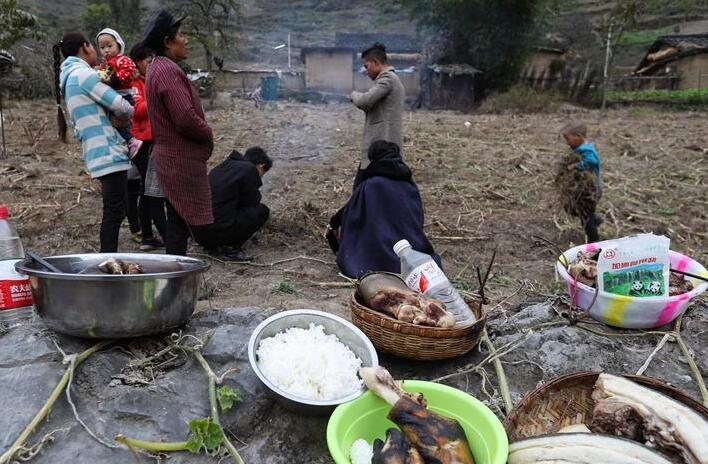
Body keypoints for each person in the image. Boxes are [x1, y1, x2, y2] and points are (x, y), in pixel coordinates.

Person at [143, 10, 214, 256]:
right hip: (177, 160)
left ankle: (175, 270)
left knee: (177, 221)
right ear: (167, 41)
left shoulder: (157, 68)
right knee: (179, 222)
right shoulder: (167, 71)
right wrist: (207, 131)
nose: (186, 39)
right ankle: (175, 271)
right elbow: (185, 119)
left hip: (170, 158)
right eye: (181, 35)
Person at [54, 32, 134, 252]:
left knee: (116, 209)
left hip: (96, 150)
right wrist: (127, 112)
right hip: (108, 149)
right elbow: (122, 106)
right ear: (85, 47)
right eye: (94, 46)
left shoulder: (69, 77)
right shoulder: (84, 75)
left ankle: (108, 257)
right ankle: (107, 260)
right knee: (114, 212)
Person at [327, 140, 441, 278]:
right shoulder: (409, 184)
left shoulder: (371, 185)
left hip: (379, 257)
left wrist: (336, 226)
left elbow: (353, 217)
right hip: (411, 249)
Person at [203, 147, 272, 261]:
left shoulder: (225, 166)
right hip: (215, 231)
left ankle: (213, 246)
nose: (260, 178)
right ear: (261, 166)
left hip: (200, 232)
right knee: (261, 211)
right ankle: (231, 249)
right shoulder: (249, 169)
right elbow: (252, 202)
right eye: (262, 174)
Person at [128, 43, 166, 250]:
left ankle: (148, 237)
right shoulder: (135, 84)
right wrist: (158, 96)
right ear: (137, 62)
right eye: (148, 61)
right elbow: (137, 110)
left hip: (152, 140)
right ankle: (153, 236)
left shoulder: (146, 81)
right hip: (142, 143)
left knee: (147, 190)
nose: (151, 65)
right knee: (149, 191)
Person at [350, 43, 405, 185]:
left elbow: (365, 101)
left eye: (366, 66)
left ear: (375, 62)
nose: (366, 71)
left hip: (382, 146)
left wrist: (353, 95)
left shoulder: (387, 79)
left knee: (363, 188)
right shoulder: (390, 79)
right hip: (383, 148)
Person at [95, 28, 142, 158]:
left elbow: (128, 73)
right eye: (102, 47)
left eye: (110, 46)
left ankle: (132, 140)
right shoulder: (105, 64)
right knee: (114, 122)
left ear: (119, 45)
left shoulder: (123, 60)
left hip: (124, 95)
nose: (106, 50)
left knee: (119, 122)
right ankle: (127, 142)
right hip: (114, 95)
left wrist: (112, 80)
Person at [561, 120, 603, 243]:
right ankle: (595, 219)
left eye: (568, 139)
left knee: (586, 217)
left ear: (578, 136)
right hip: (584, 189)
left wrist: (576, 166)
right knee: (575, 209)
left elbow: (593, 161)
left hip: (591, 190)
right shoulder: (581, 148)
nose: (567, 142)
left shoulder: (587, 150)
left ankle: (593, 242)